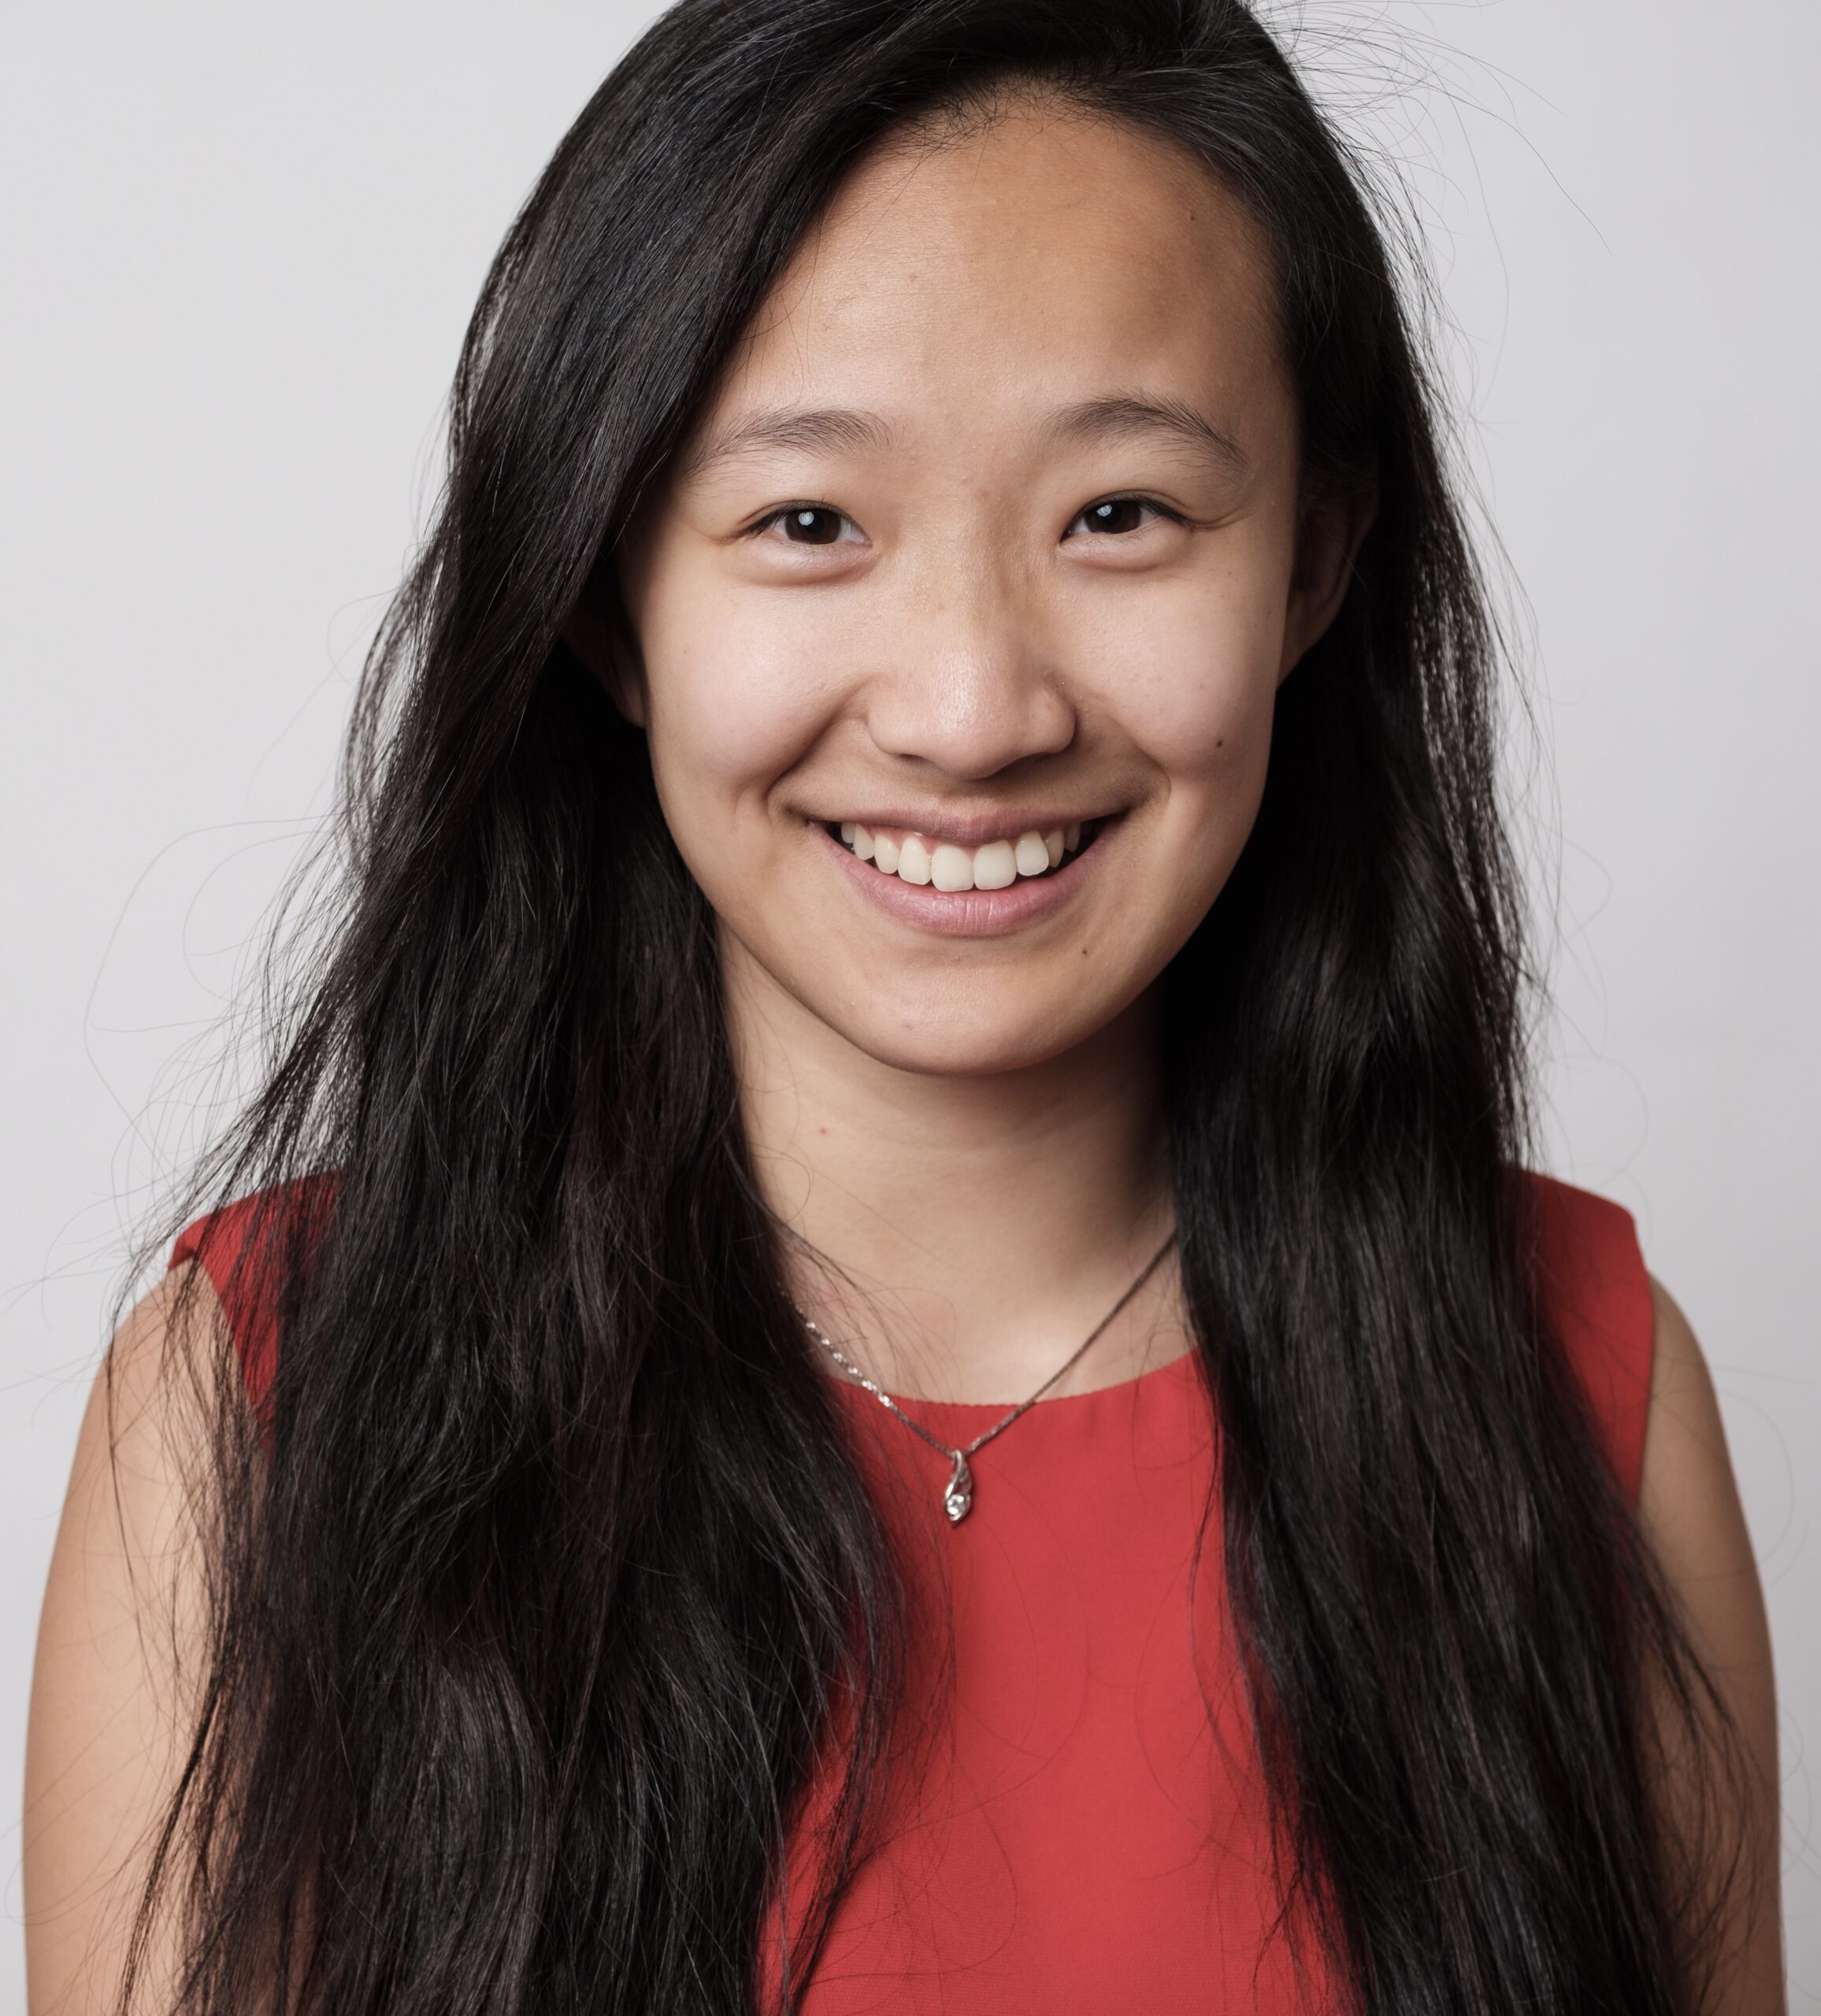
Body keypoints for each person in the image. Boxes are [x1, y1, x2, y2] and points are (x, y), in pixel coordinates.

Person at [22, 2, 1782, 2010]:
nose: (970, 707)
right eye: (807, 524)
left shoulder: (1581, 1391)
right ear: (608, 596)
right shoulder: (256, 1409)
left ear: (1314, 563)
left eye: (1119, 512)